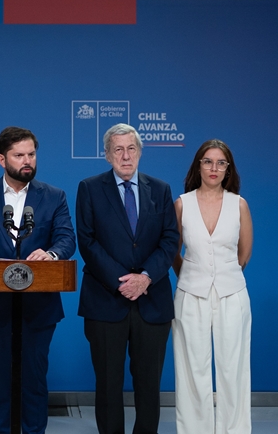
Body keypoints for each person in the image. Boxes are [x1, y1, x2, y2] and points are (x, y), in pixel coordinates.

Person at [0, 126, 76, 434]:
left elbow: (65, 239)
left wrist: (51, 255)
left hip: (39, 307)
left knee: (34, 380)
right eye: (19, 155)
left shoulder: (54, 196)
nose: (27, 161)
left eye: (31, 154)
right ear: (1, 159)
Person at [76, 123, 179, 434]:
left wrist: (145, 278)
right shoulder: (89, 188)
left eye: (131, 148)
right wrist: (124, 282)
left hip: (152, 302)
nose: (125, 155)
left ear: (140, 153)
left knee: (149, 385)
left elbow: (170, 240)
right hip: (106, 301)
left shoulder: (160, 190)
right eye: (117, 149)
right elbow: (87, 242)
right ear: (107, 155)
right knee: (108, 384)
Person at [171, 139, 253, 434]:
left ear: (228, 169)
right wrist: (193, 275)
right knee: (193, 370)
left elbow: (243, 254)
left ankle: (235, 430)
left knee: (234, 369)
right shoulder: (182, 203)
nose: (214, 168)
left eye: (221, 163)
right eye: (208, 161)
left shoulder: (239, 204)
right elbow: (173, 251)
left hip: (232, 295)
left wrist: (223, 276)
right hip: (190, 294)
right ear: (198, 165)